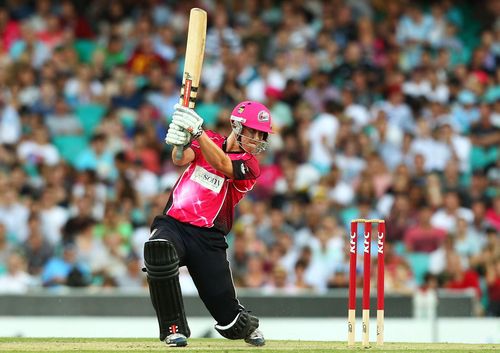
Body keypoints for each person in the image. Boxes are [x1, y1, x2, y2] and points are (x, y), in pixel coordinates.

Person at [143, 101, 273, 347]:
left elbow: (223, 164)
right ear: (236, 125)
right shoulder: (209, 139)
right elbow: (181, 159)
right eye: (253, 131)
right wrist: (181, 143)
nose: (257, 138)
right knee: (159, 249)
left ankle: (244, 323)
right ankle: (173, 328)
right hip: (175, 224)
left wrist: (198, 133)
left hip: (208, 237)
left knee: (232, 324)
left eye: (261, 134)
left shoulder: (251, 165)